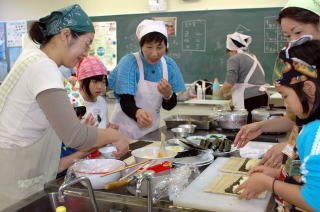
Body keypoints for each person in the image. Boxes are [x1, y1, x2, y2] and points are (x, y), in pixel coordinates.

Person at [0, 5, 129, 210]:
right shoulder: (42, 67)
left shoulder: (37, 62)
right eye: (86, 44)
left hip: (22, 170)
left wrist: (81, 125)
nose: (86, 54)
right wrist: (114, 136)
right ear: (66, 35)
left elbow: (64, 122)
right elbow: (74, 136)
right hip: (17, 177)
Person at [234, 37, 320, 212]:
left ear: (309, 89)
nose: (285, 104)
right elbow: (306, 178)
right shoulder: (311, 127)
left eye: (285, 96)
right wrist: (277, 174)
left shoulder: (315, 134)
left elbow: (315, 201)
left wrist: (268, 183)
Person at [233, 0, 320, 168]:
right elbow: (298, 117)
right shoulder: (295, 63)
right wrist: (262, 126)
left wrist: (292, 146)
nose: (294, 40)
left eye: (298, 32)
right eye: (287, 36)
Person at [108, 19, 186, 139]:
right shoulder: (129, 63)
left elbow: (169, 106)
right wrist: (137, 113)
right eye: (149, 47)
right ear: (141, 45)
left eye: (159, 47)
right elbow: (125, 100)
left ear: (166, 46)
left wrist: (168, 95)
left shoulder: (169, 65)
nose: (154, 53)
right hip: (124, 131)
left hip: (150, 132)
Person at [219, 32, 268, 123]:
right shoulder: (252, 57)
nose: (229, 54)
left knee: (246, 128)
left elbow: (230, 82)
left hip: (249, 99)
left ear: (232, 50)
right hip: (261, 96)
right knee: (257, 128)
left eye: (228, 51)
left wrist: (221, 92)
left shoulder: (234, 59)